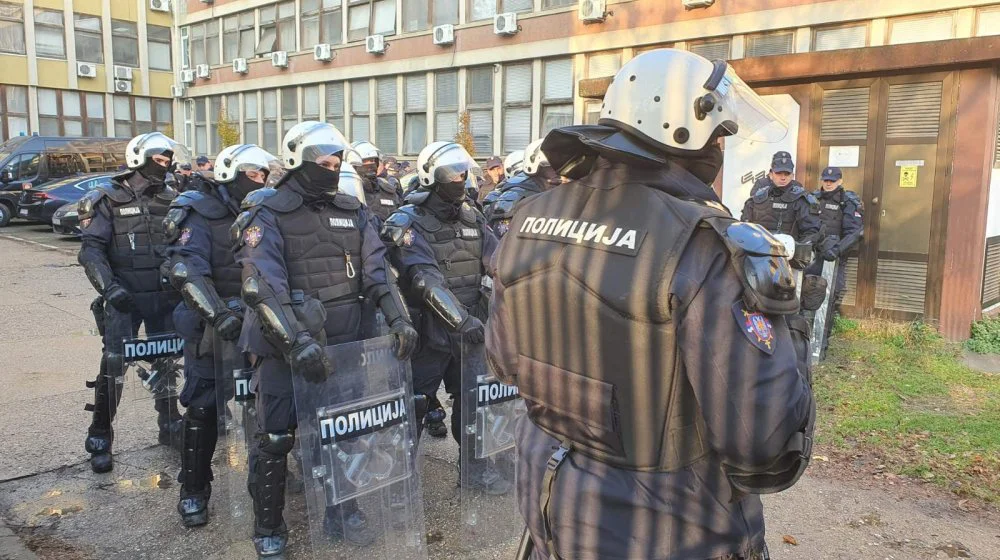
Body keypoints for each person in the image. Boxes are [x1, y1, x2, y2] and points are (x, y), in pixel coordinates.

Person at [486, 49, 815, 560]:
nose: (722, 148)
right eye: (720, 134)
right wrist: (791, 330)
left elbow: (506, 364)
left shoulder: (529, 217)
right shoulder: (704, 244)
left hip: (550, 508)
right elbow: (764, 445)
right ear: (685, 132)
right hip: (667, 531)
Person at [233, 121, 417, 558]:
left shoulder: (353, 211)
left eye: (337, 162)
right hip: (285, 345)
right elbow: (261, 285)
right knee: (276, 438)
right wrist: (295, 342)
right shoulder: (267, 212)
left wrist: (398, 319)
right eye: (323, 161)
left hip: (345, 344)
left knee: (342, 433)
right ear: (297, 160)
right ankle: (268, 525)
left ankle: (343, 510)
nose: (332, 168)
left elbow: (378, 274)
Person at [163, 144, 278, 527]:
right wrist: (216, 313)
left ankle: (265, 484)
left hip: (260, 324)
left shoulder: (265, 211)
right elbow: (186, 269)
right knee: (203, 408)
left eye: (264, 175)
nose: (259, 181)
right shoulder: (198, 209)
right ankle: (194, 489)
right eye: (254, 174)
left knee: (265, 408)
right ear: (232, 171)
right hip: (212, 324)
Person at [380, 141, 500, 453]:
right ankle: (401, 480)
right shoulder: (408, 220)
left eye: (464, 174)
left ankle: (475, 469)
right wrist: (460, 321)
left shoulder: (472, 216)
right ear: (435, 178)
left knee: (473, 398)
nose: (463, 180)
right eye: (455, 175)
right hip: (430, 332)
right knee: (415, 403)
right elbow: (423, 279)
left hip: (472, 327)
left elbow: (498, 260)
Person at [77, 132, 187, 473]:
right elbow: (91, 251)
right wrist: (109, 288)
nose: (165, 165)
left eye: (168, 160)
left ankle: (169, 422)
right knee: (114, 366)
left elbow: (183, 246)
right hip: (124, 298)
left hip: (164, 297)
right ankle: (100, 434)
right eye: (159, 158)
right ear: (140, 156)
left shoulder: (174, 198)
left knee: (166, 361)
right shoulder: (107, 199)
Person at [806, 166, 863, 316]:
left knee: (832, 293)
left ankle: (824, 335)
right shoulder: (813, 198)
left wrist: (837, 250)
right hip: (813, 254)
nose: (829, 183)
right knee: (807, 291)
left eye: (832, 180)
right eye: (826, 180)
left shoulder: (847, 201)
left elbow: (854, 233)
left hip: (834, 256)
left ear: (840, 181)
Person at [740, 151, 821, 244]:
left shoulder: (801, 200)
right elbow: (745, 227)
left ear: (792, 176)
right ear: (771, 174)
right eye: (779, 173)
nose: (783, 177)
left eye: (787, 174)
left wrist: (798, 247)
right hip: (757, 253)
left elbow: (811, 231)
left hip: (789, 255)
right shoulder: (757, 198)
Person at [487, 139, 562, 237]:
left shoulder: (564, 191)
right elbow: (502, 241)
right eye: (553, 166)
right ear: (537, 166)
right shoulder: (516, 197)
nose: (560, 171)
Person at [347, 140, 402, 223]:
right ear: (353, 165)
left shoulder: (388, 190)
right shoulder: (347, 191)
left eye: (372, 160)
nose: (370, 165)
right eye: (365, 161)